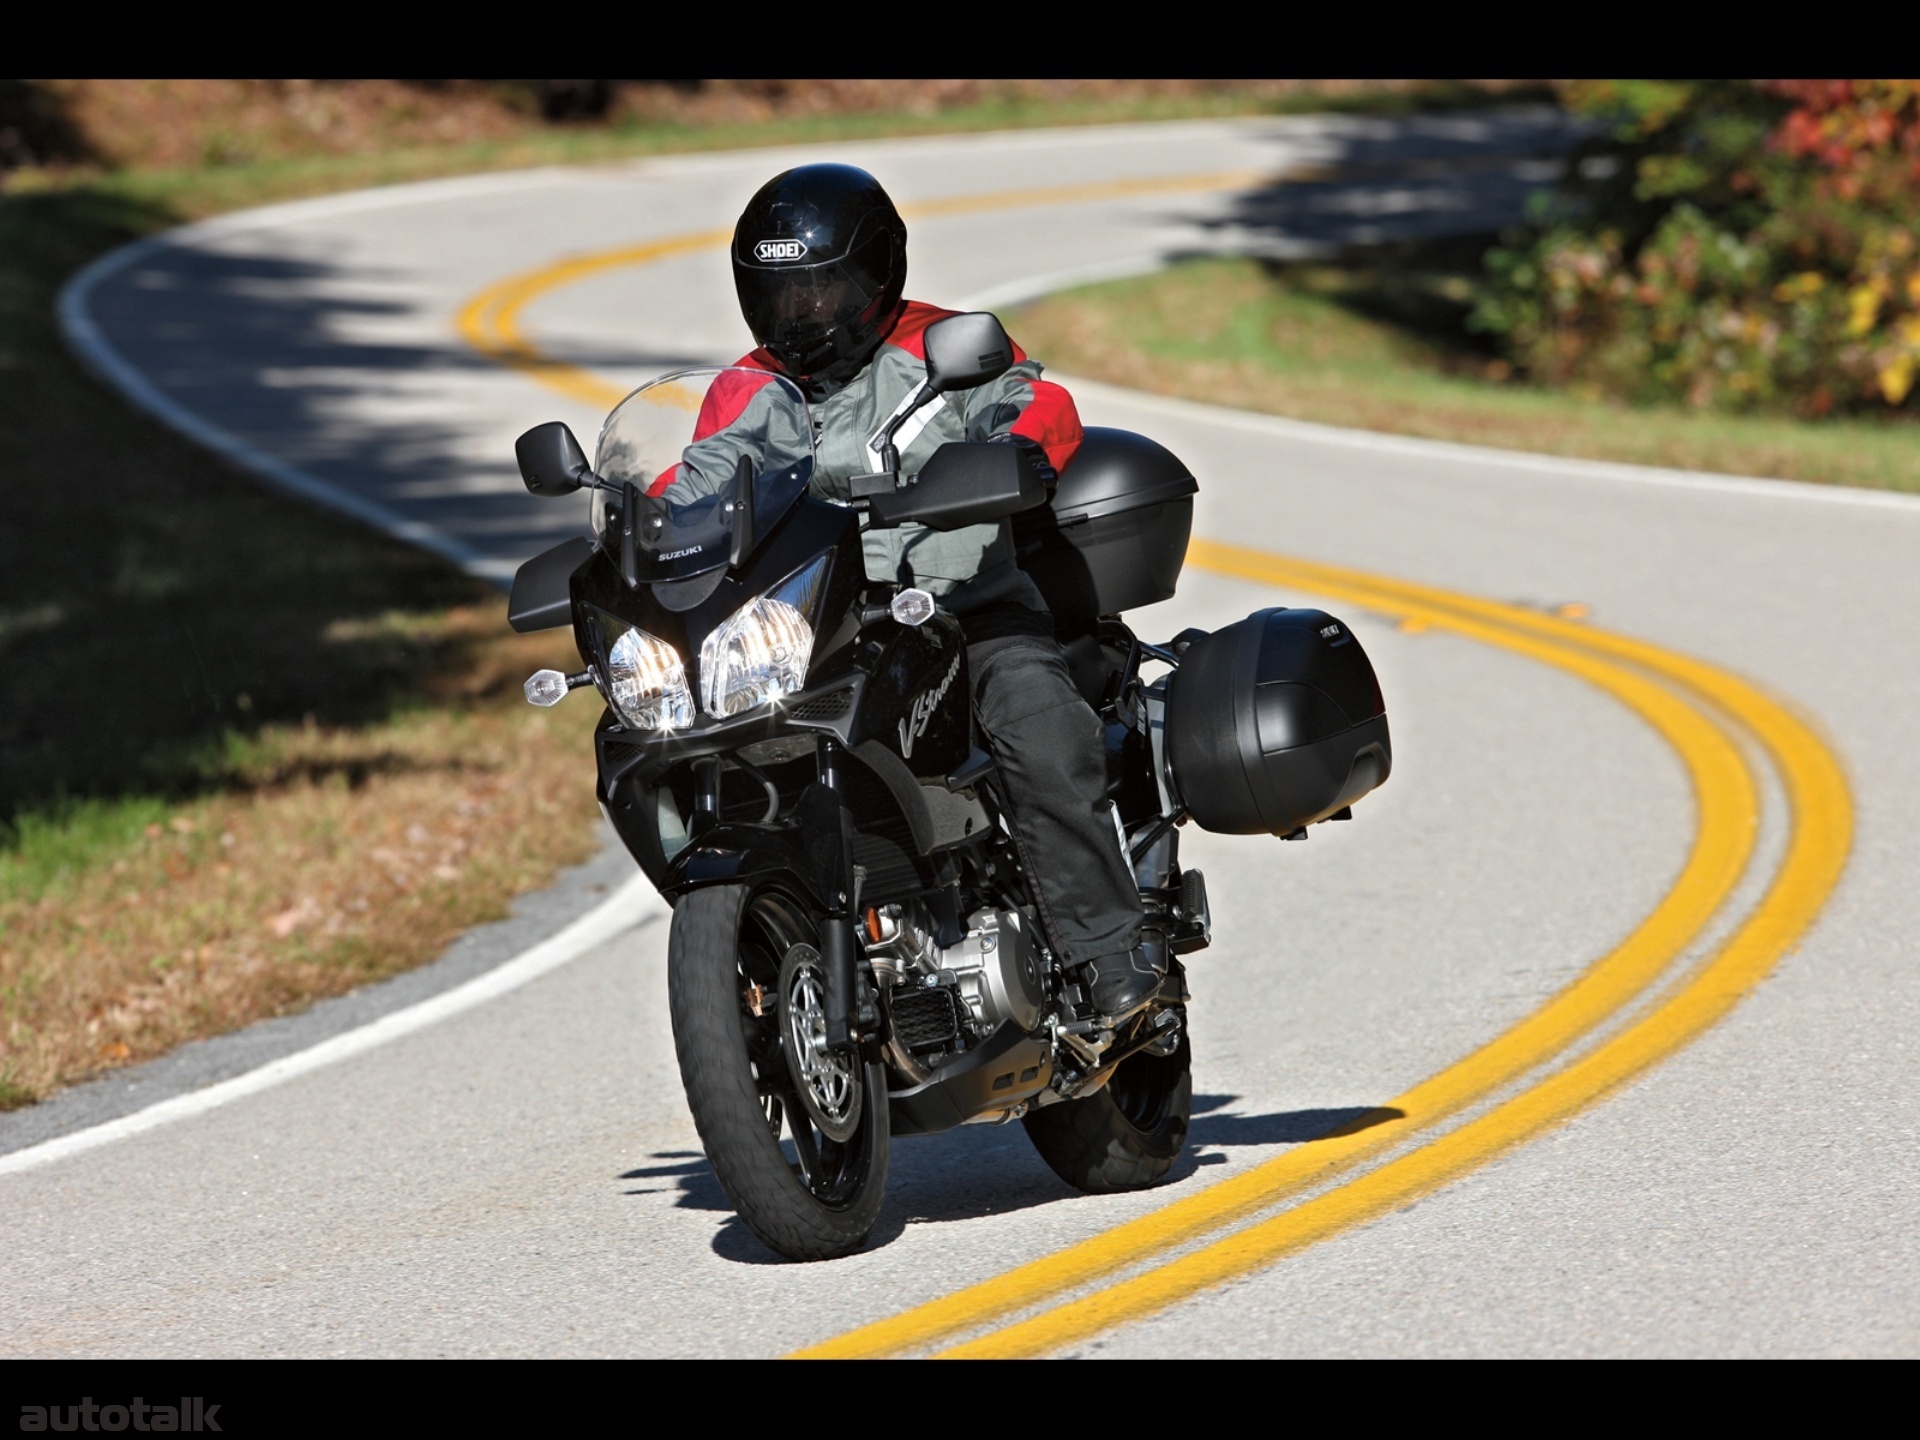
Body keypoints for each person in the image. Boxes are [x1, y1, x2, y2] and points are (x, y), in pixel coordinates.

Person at [666, 163, 1163, 1023]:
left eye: (823, 288)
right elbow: (701, 479)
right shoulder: (745, 388)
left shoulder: (941, 346)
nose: (804, 313)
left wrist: (1017, 449)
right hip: (823, 630)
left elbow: (1037, 400)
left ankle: (1105, 948)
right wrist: (636, 531)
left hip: (962, 611)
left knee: (1036, 722)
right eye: (783, 295)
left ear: (877, 274)